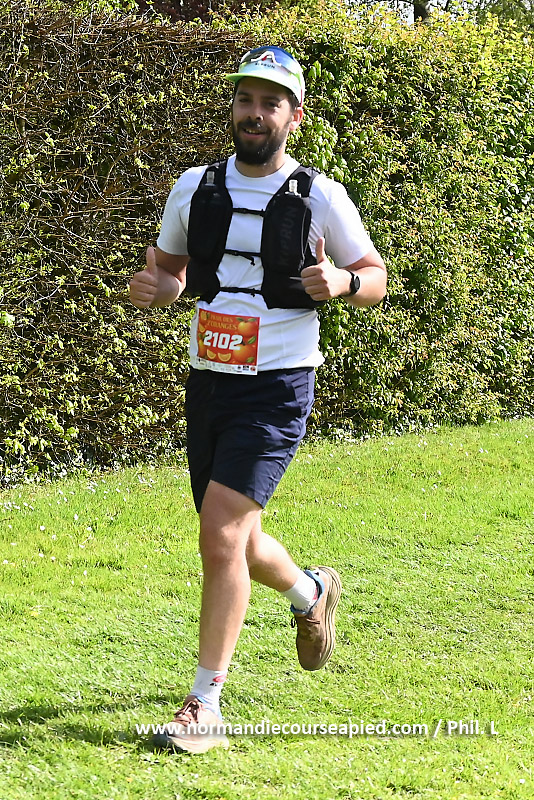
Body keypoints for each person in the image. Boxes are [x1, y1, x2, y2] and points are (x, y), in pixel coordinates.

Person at [129, 45, 387, 754]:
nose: (254, 113)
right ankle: (311, 593)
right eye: (246, 99)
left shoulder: (320, 195)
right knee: (237, 539)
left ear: (294, 116)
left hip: (277, 387)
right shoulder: (195, 187)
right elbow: (173, 271)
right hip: (210, 380)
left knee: (220, 535)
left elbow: (374, 276)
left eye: (271, 103)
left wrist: (344, 283)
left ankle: (204, 704)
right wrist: (159, 290)